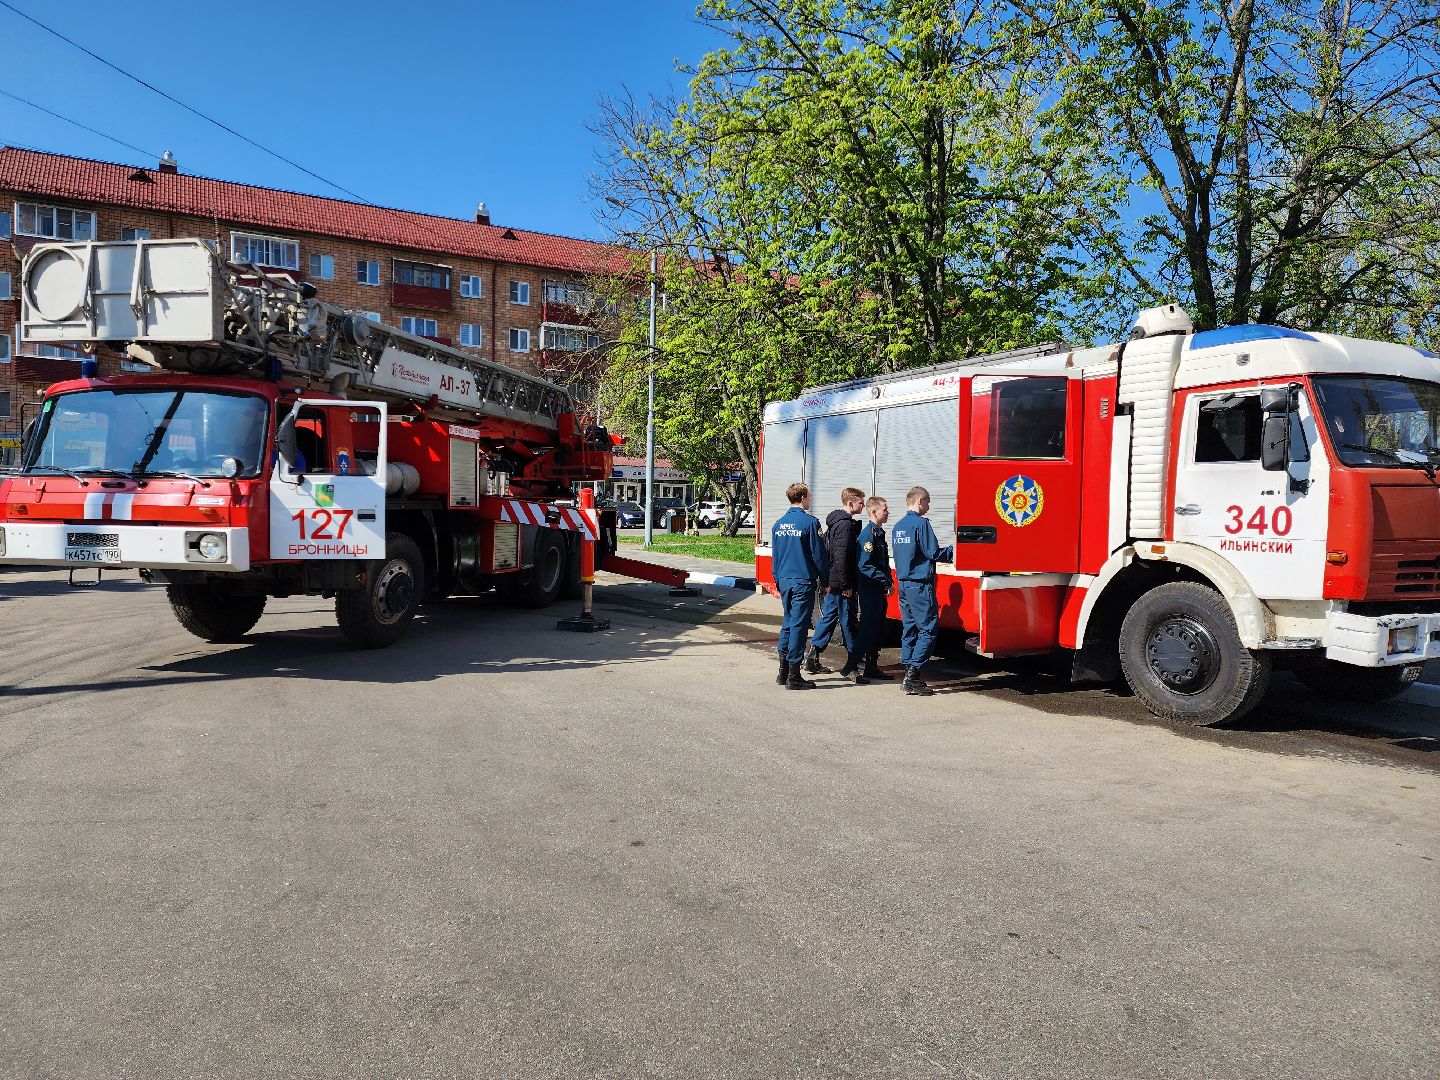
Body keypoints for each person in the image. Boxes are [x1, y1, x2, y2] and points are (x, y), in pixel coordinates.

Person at [890, 485, 954, 696]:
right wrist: (957, 549)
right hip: (919, 585)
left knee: (910, 628)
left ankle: (908, 670)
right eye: (927, 502)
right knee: (927, 629)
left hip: (904, 584)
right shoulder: (921, 524)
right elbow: (933, 552)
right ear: (919, 502)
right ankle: (913, 676)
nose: (929, 506)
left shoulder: (898, 526)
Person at [771, 481, 828, 690]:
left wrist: (778, 580)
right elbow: (819, 556)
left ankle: (783, 671)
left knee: (788, 623)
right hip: (803, 580)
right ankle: (794, 675)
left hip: (785, 580)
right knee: (798, 626)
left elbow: (775, 558)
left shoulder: (778, 524)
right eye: (809, 496)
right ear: (802, 497)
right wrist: (827, 581)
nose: (810, 500)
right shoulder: (810, 523)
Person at [806, 486, 867, 683]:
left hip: (834, 580)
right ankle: (852, 664)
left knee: (830, 616)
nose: (863, 505)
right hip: (841, 583)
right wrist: (845, 584)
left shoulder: (836, 523)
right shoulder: (845, 525)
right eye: (860, 502)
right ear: (850, 503)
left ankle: (813, 656)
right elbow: (841, 557)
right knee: (848, 620)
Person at [854, 495, 895, 682]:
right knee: (868, 627)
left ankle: (872, 666)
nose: (887, 512)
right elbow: (865, 565)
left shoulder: (878, 532)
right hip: (870, 589)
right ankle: (855, 666)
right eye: (885, 509)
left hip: (877, 589)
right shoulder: (868, 534)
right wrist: (885, 581)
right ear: (874, 512)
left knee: (877, 628)